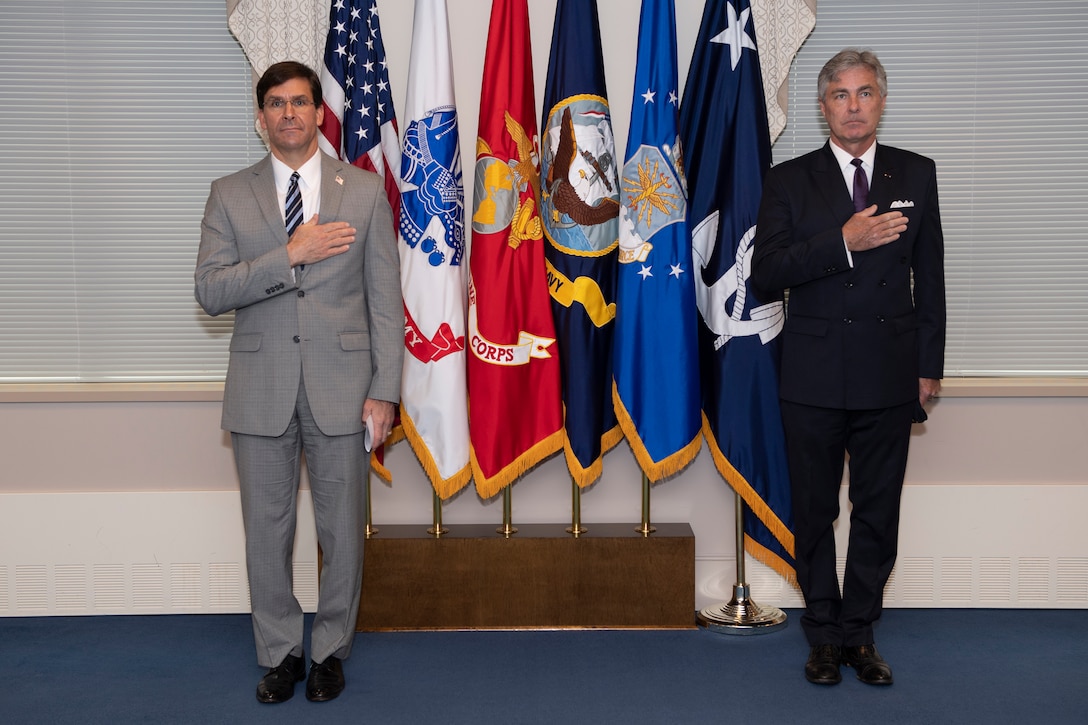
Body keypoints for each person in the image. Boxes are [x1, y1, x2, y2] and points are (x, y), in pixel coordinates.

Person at [195, 61, 402, 704]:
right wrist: (290, 254)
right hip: (261, 388)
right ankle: (281, 652)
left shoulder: (363, 191)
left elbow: (385, 303)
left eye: (301, 102)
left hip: (345, 388)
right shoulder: (229, 193)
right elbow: (210, 290)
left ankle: (331, 651)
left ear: (319, 113)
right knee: (268, 531)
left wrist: (386, 391)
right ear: (260, 120)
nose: (289, 113)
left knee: (342, 531)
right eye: (276, 104)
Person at [752, 49, 945, 687]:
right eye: (840, 94)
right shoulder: (789, 180)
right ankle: (823, 637)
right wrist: (843, 242)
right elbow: (768, 274)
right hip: (810, 375)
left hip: (890, 373)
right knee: (814, 512)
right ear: (823, 104)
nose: (853, 105)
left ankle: (861, 635)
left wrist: (928, 364)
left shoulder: (916, 174)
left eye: (865, 93)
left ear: (881, 102)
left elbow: (932, 279)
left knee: (877, 511)